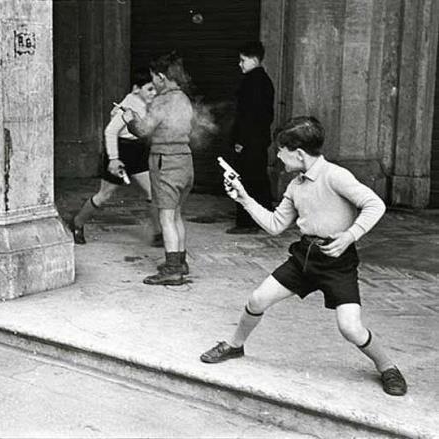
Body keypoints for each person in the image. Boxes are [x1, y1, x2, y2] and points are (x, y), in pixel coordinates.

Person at [200, 116, 407, 396]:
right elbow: (275, 225)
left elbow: (375, 204)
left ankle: (388, 367)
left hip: (337, 263)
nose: (277, 156)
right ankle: (235, 345)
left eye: (280, 151)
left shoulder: (335, 175)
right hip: (304, 257)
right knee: (257, 299)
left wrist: (349, 236)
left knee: (350, 328)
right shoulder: (295, 185)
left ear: (298, 153)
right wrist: (244, 198)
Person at [122, 52, 194, 286]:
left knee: (166, 217)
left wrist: (130, 119)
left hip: (166, 162)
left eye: (154, 77)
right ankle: (180, 262)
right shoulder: (183, 98)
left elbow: (143, 130)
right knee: (176, 214)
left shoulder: (162, 101)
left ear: (162, 77)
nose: (153, 82)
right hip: (185, 160)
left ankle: (172, 270)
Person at [70, 68, 161, 246]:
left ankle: (159, 234)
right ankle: (77, 224)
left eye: (155, 89)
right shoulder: (128, 106)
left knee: (153, 193)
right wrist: (113, 158)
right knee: (104, 195)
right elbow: (110, 131)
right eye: (149, 89)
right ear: (136, 89)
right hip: (121, 151)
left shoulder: (146, 103)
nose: (154, 93)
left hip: (137, 150)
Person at [228, 41, 275, 234]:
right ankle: (264, 219)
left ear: (254, 59)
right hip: (259, 140)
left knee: (246, 181)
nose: (239, 64)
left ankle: (247, 223)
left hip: (249, 141)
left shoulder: (251, 82)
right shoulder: (264, 80)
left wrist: (241, 140)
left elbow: (248, 116)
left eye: (242, 60)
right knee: (258, 179)